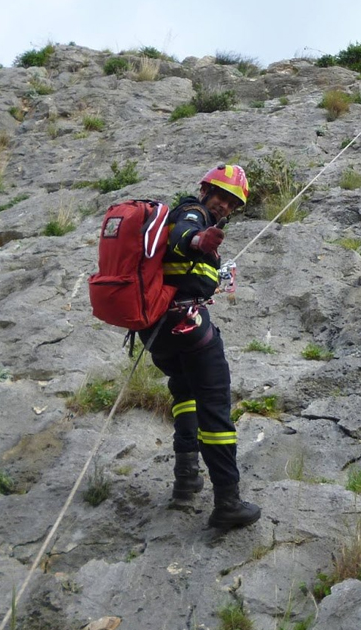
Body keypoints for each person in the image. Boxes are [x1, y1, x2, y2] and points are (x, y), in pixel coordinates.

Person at [146, 164, 261, 529]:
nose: (225, 205)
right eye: (221, 196)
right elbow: (183, 234)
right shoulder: (193, 213)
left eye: (232, 202)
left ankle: (186, 479)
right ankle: (227, 501)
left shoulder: (201, 217)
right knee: (215, 405)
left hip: (159, 335)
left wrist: (212, 268)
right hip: (187, 325)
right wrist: (198, 241)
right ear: (205, 190)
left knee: (185, 395)